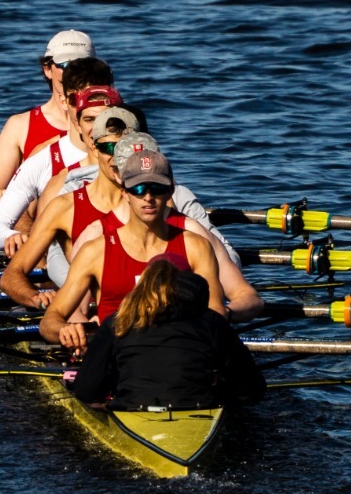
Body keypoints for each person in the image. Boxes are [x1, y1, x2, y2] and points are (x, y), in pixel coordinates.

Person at [0, 93, 263, 317]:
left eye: (125, 147)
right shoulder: (69, 209)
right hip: (96, 318)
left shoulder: (174, 209)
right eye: (108, 148)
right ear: (91, 147)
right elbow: (12, 276)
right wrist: (41, 301)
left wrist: (221, 315)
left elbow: (238, 289)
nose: (116, 158)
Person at [39, 149, 224, 350]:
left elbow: (216, 314)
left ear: (170, 191)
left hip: (178, 352)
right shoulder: (95, 251)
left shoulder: (196, 246)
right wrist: (64, 330)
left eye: (157, 188)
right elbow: (50, 321)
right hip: (118, 355)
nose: (148, 197)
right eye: (138, 188)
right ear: (124, 193)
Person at [68, 258, 265, 411]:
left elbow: (85, 391)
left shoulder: (118, 322)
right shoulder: (213, 321)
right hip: (200, 408)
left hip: (132, 408)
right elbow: (252, 391)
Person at [0, 30, 92, 215]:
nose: (72, 73)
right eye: (65, 65)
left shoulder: (113, 121)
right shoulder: (19, 126)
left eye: (80, 66)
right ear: (48, 69)